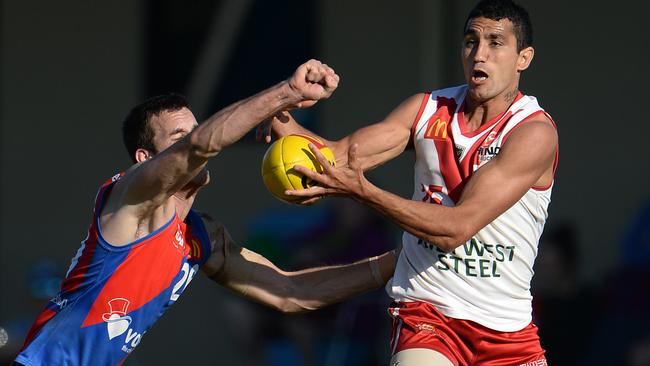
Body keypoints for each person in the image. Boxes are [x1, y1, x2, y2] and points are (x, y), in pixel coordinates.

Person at [14, 59, 398, 366]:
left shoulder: (201, 236)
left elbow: (288, 291)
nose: (200, 140)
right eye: (178, 137)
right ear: (145, 160)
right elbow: (201, 145)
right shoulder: (131, 197)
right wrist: (288, 92)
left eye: (196, 128)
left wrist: (396, 264)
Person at [260, 0, 558, 365]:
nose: (479, 54)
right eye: (471, 41)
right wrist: (280, 106)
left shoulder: (533, 133)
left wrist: (364, 192)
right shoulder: (427, 108)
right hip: (429, 318)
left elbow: (456, 227)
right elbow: (334, 158)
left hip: (507, 333)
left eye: (495, 43)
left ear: (523, 58)